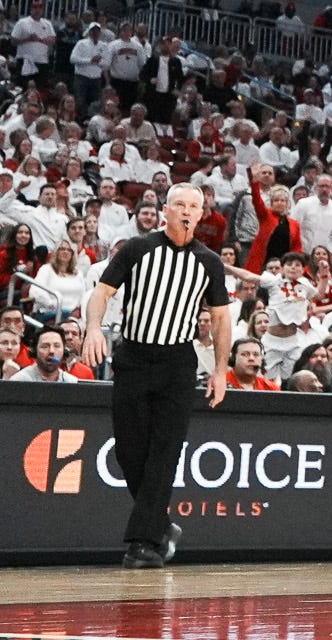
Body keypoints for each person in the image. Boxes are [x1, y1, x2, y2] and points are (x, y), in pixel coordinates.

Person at [82, 185, 233, 569]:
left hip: (178, 363)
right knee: (129, 449)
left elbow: (219, 318)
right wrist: (94, 328)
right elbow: (102, 292)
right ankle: (161, 525)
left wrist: (219, 370)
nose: (186, 211)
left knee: (166, 451)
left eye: (194, 206)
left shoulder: (210, 262)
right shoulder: (136, 249)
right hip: (134, 355)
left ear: (202, 215)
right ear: (165, 210)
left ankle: (142, 543)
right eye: (179, 204)